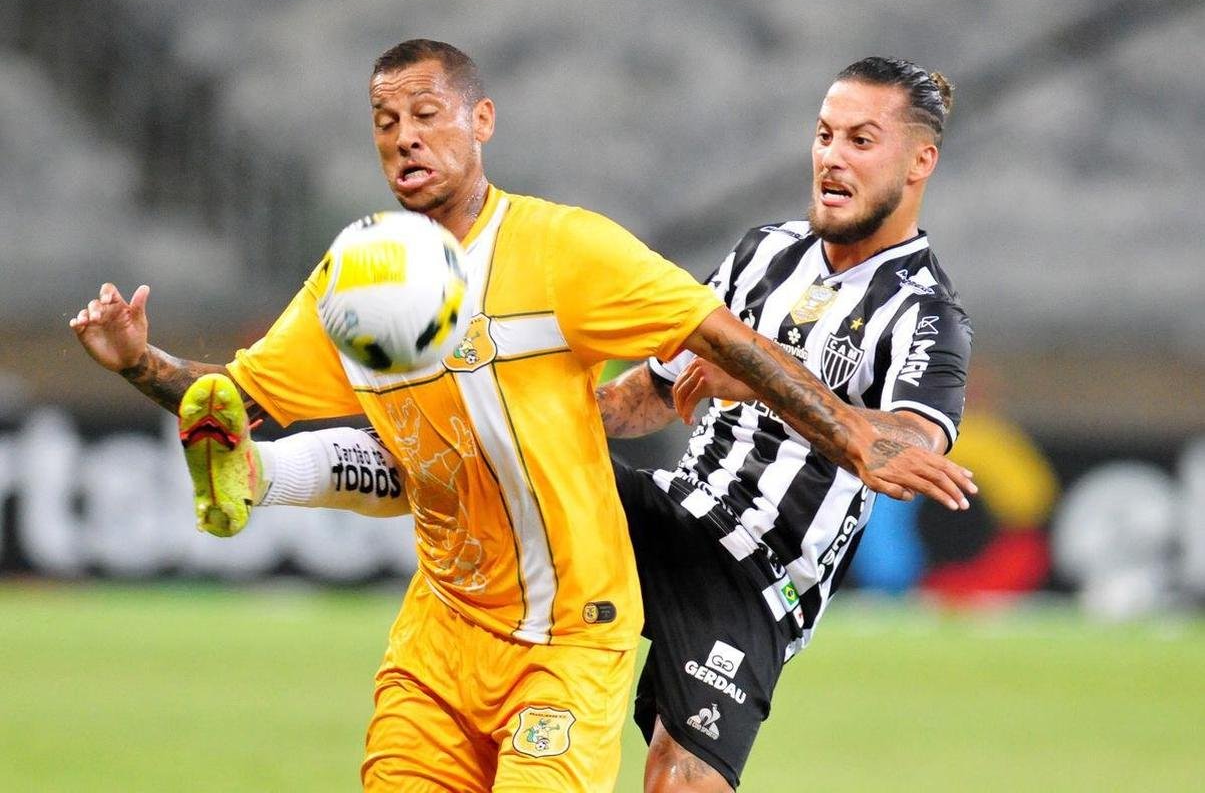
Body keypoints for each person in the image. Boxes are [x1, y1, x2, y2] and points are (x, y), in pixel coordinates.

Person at [70, 41, 975, 792]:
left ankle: (271, 478)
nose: (831, 156)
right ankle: (263, 474)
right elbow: (645, 394)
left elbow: (902, 447)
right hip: (666, 508)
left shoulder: (926, 312)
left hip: (750, 569)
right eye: (824, 135)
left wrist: (807, 409)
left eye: (860, 139)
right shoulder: (764, 252)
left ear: (918, 161)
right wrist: (546, 398)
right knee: (483, 456)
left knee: (680, 783)